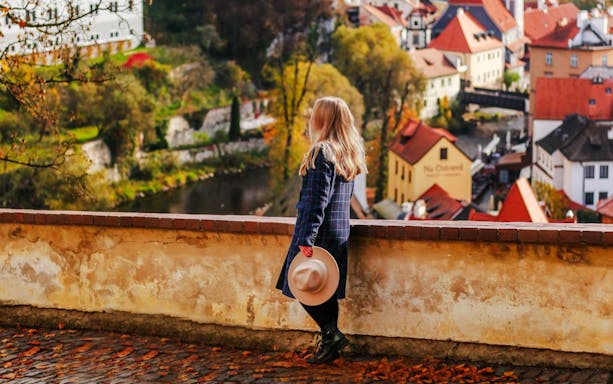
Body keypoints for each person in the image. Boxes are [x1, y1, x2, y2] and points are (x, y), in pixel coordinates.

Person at [276, 96, 367, 364]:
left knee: (300, 284)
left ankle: (332, 334)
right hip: (339, 232)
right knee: (323, 289)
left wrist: (306, 238)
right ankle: (330, 344)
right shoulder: (347, 152)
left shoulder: (322, 152)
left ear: (321, 119)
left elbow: (316, 202)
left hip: (318, 233)